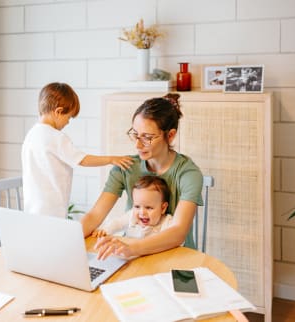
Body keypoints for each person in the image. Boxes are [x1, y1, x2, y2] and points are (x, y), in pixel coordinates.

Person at [80, 93, 203, 259]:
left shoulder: (188, 174)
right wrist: (68, 240)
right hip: (132, 254)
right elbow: (95, 216)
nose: (138, 144)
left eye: (147, 137)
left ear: (170, 135)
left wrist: (133, 248)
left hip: (176, 257)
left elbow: (178, 232)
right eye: (135, 134)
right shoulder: (125, 167)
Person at [22, 82, 133, 219]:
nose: (68, 122)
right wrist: (111, 159)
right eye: (68, 117)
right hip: (52, 208)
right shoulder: (56, 137)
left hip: (33, 206)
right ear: (58, 112)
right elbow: (83, 160)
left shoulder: (31, 134)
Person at [92, 175, 173, 239]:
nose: (142, 212)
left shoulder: (167, 223)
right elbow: (117, 223)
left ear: (163, 208)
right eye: (137, 206)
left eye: (148, 208)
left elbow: (177, 239)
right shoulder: (131, 216)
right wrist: (105, 230)